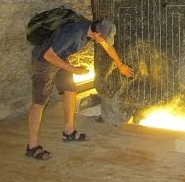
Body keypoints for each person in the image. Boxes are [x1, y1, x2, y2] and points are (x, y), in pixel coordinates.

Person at [26, 18, 134, 160]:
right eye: (103, 38)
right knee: (40, 102)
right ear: (97, 33)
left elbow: (108, 47)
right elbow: (48, 55)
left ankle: (68, 132)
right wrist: (74, 69)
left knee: (70, 90)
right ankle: (32, 146)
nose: (103, 41)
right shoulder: (73, 33)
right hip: (44, 61)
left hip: (60, 58)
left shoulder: (93, 29)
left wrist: (120, 65)